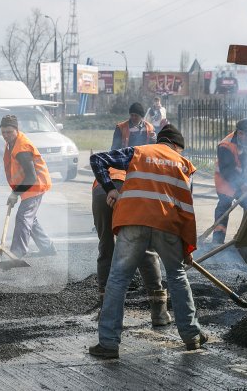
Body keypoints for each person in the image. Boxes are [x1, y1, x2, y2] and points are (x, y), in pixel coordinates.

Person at [88, 124, 206, 358]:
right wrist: (188, 248)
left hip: (134, 222)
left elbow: (97, 159)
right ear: (176, 146)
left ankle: (109, 344)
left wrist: (110, 189)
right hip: (168, 226)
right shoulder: (184, 166)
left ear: (159, 142)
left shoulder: (139, 153)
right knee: (177, 275)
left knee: (118, 278)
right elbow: (186, 209)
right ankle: (192, 336)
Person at [92, 102, 170, 326]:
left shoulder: (114, 160)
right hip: (129, 191)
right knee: (144, 247)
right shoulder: (149, 166)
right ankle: (159, 312)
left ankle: (105, 313)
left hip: (101, 191)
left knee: (106, 247)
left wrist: (109, 190)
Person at [0, 114, 57, 258]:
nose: (5, 135)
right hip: (28, 185)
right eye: (3, 132)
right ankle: (48, 248)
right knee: (30, 218)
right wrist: (15, 191)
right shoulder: (12, 142)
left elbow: (31, 176)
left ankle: (17, 253)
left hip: (36, 184)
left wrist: (15, 193)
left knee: (23, 216)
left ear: (16, 130)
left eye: (9, 132)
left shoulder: (22, 148)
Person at [212, 118, 247, 243]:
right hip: (226, 180)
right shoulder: (225, 145)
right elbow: (227, 170)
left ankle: (243, 239)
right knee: (224, 205)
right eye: (245, 135)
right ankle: (217, 240)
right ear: (239, 133)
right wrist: (242, 185)